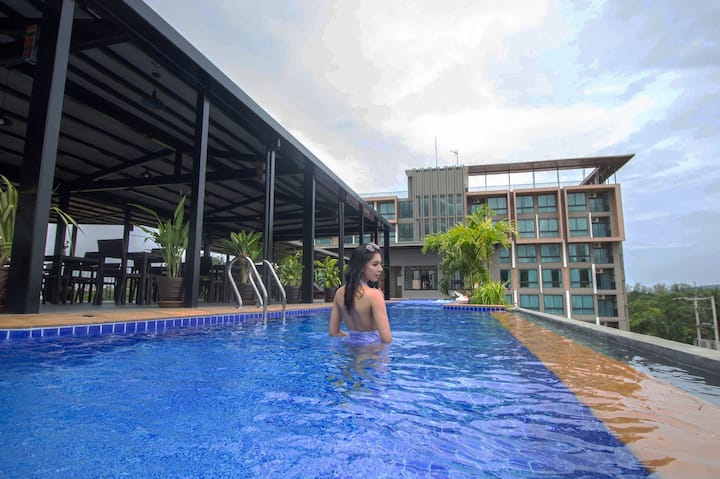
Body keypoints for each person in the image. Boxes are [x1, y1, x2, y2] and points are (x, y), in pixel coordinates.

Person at [329, 243, 392, 343]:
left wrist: (356, 339)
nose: (380, 269)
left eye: (380, 264)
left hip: (350, 348)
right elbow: (387, 339)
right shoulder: (375, 295)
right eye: (375, 264)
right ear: (361, 267)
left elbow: (333, 332)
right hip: (372, 350)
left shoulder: (339, 292)